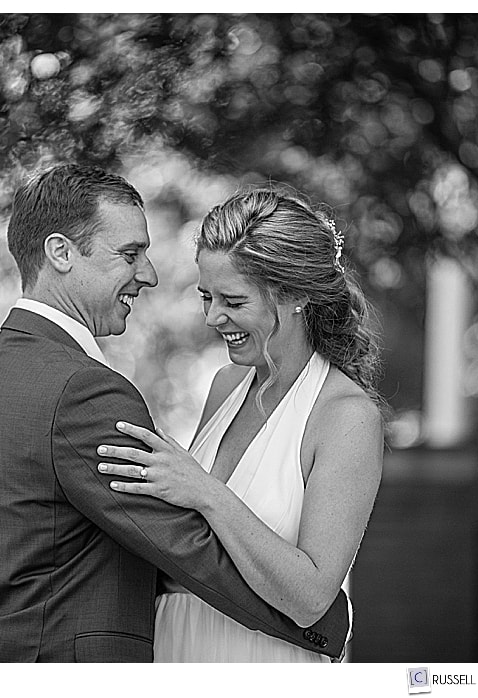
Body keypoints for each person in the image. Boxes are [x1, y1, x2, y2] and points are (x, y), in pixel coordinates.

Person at [0, 166, 351, 662]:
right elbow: (183, 548)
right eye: (129, 254)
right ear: (61, 253)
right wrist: (326, 619)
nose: (149, 274)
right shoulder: (82, 390)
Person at [97, 188, 384, 662]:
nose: (213, 317)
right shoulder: (225, 385)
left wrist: (204, 490)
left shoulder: (346, 415)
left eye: (232, 300)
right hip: (177, 654)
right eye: (206, 297)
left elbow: (311, 597)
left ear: (293, 295)